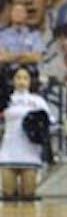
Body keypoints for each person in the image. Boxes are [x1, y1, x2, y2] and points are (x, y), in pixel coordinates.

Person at [0, 66, 50, 200]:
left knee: (28, 195)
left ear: (30, 81)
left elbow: (49, 123)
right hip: (9, 151)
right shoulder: (6, 99)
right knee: (7, 194)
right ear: (12, 80)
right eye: (18, 78)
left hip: (30, 151)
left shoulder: (38, 101)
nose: (21, 81)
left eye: (25, 78)